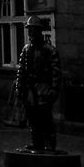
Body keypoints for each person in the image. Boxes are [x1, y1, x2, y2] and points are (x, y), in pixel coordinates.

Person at [14, 15, 62, 152]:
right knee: (32, 118)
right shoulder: (26, 49)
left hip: (43, 88)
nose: (30, 32)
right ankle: (36, 142)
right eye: (29, 29)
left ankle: (49, 144)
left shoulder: (49, 50)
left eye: (33, 29)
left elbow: (56, 72)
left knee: (45, 118)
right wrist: (19, 87)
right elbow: (21, 69)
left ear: (39, 30)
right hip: (30, 89)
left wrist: (53, 89)